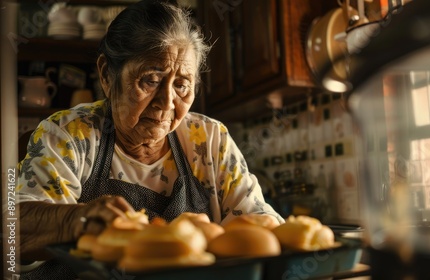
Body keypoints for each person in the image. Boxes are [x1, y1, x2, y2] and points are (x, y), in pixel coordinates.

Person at [16, 0, 284, 278]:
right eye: (151, 80)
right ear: (108, 75)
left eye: (181, 85)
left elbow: (261, 226)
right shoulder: (69, 134)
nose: (166, 103)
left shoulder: (209, 140)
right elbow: (15, 231)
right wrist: (78, 221)